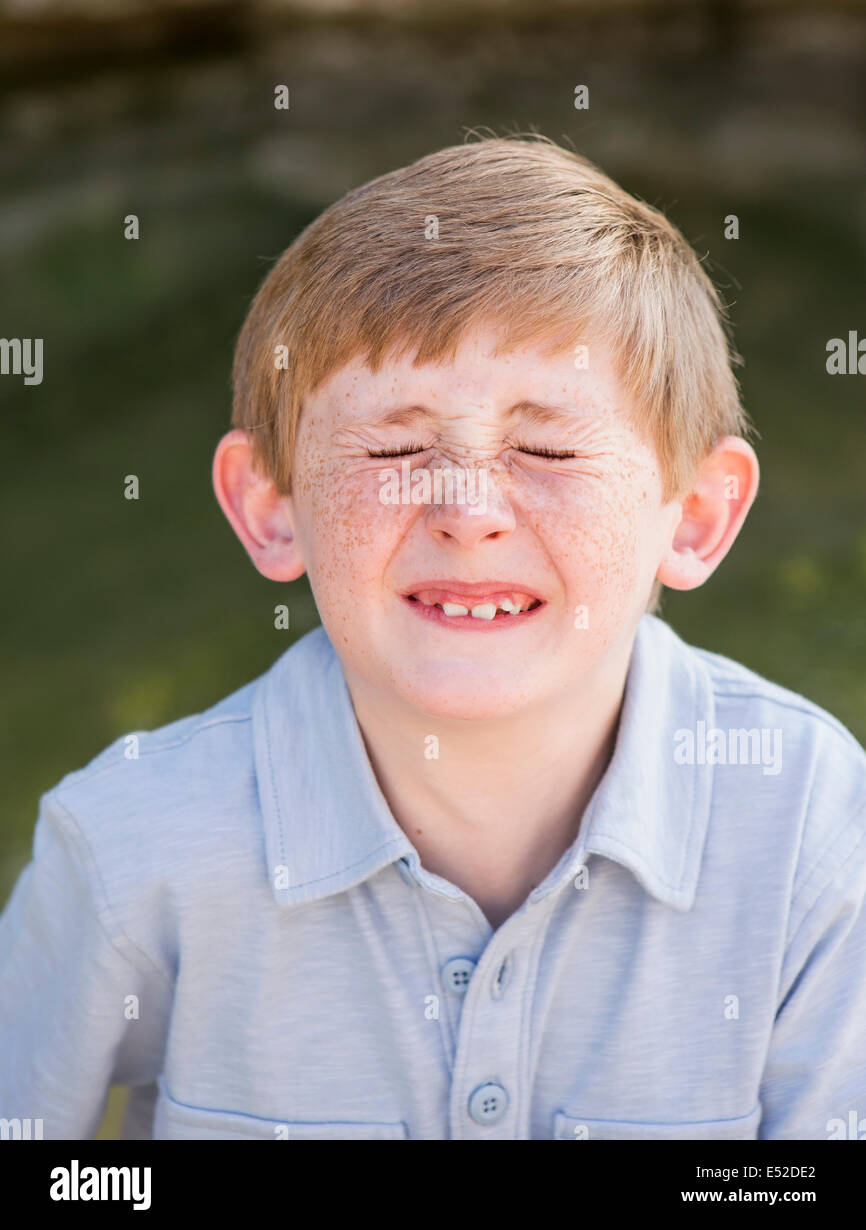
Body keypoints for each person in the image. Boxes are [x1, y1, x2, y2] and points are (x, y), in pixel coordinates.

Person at [2, 133, 864, 1140]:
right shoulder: (127, 844)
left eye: (546, 447)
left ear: (694, 516)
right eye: (395, 445)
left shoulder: (814, 828)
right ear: (271, 506)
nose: (465, 508)